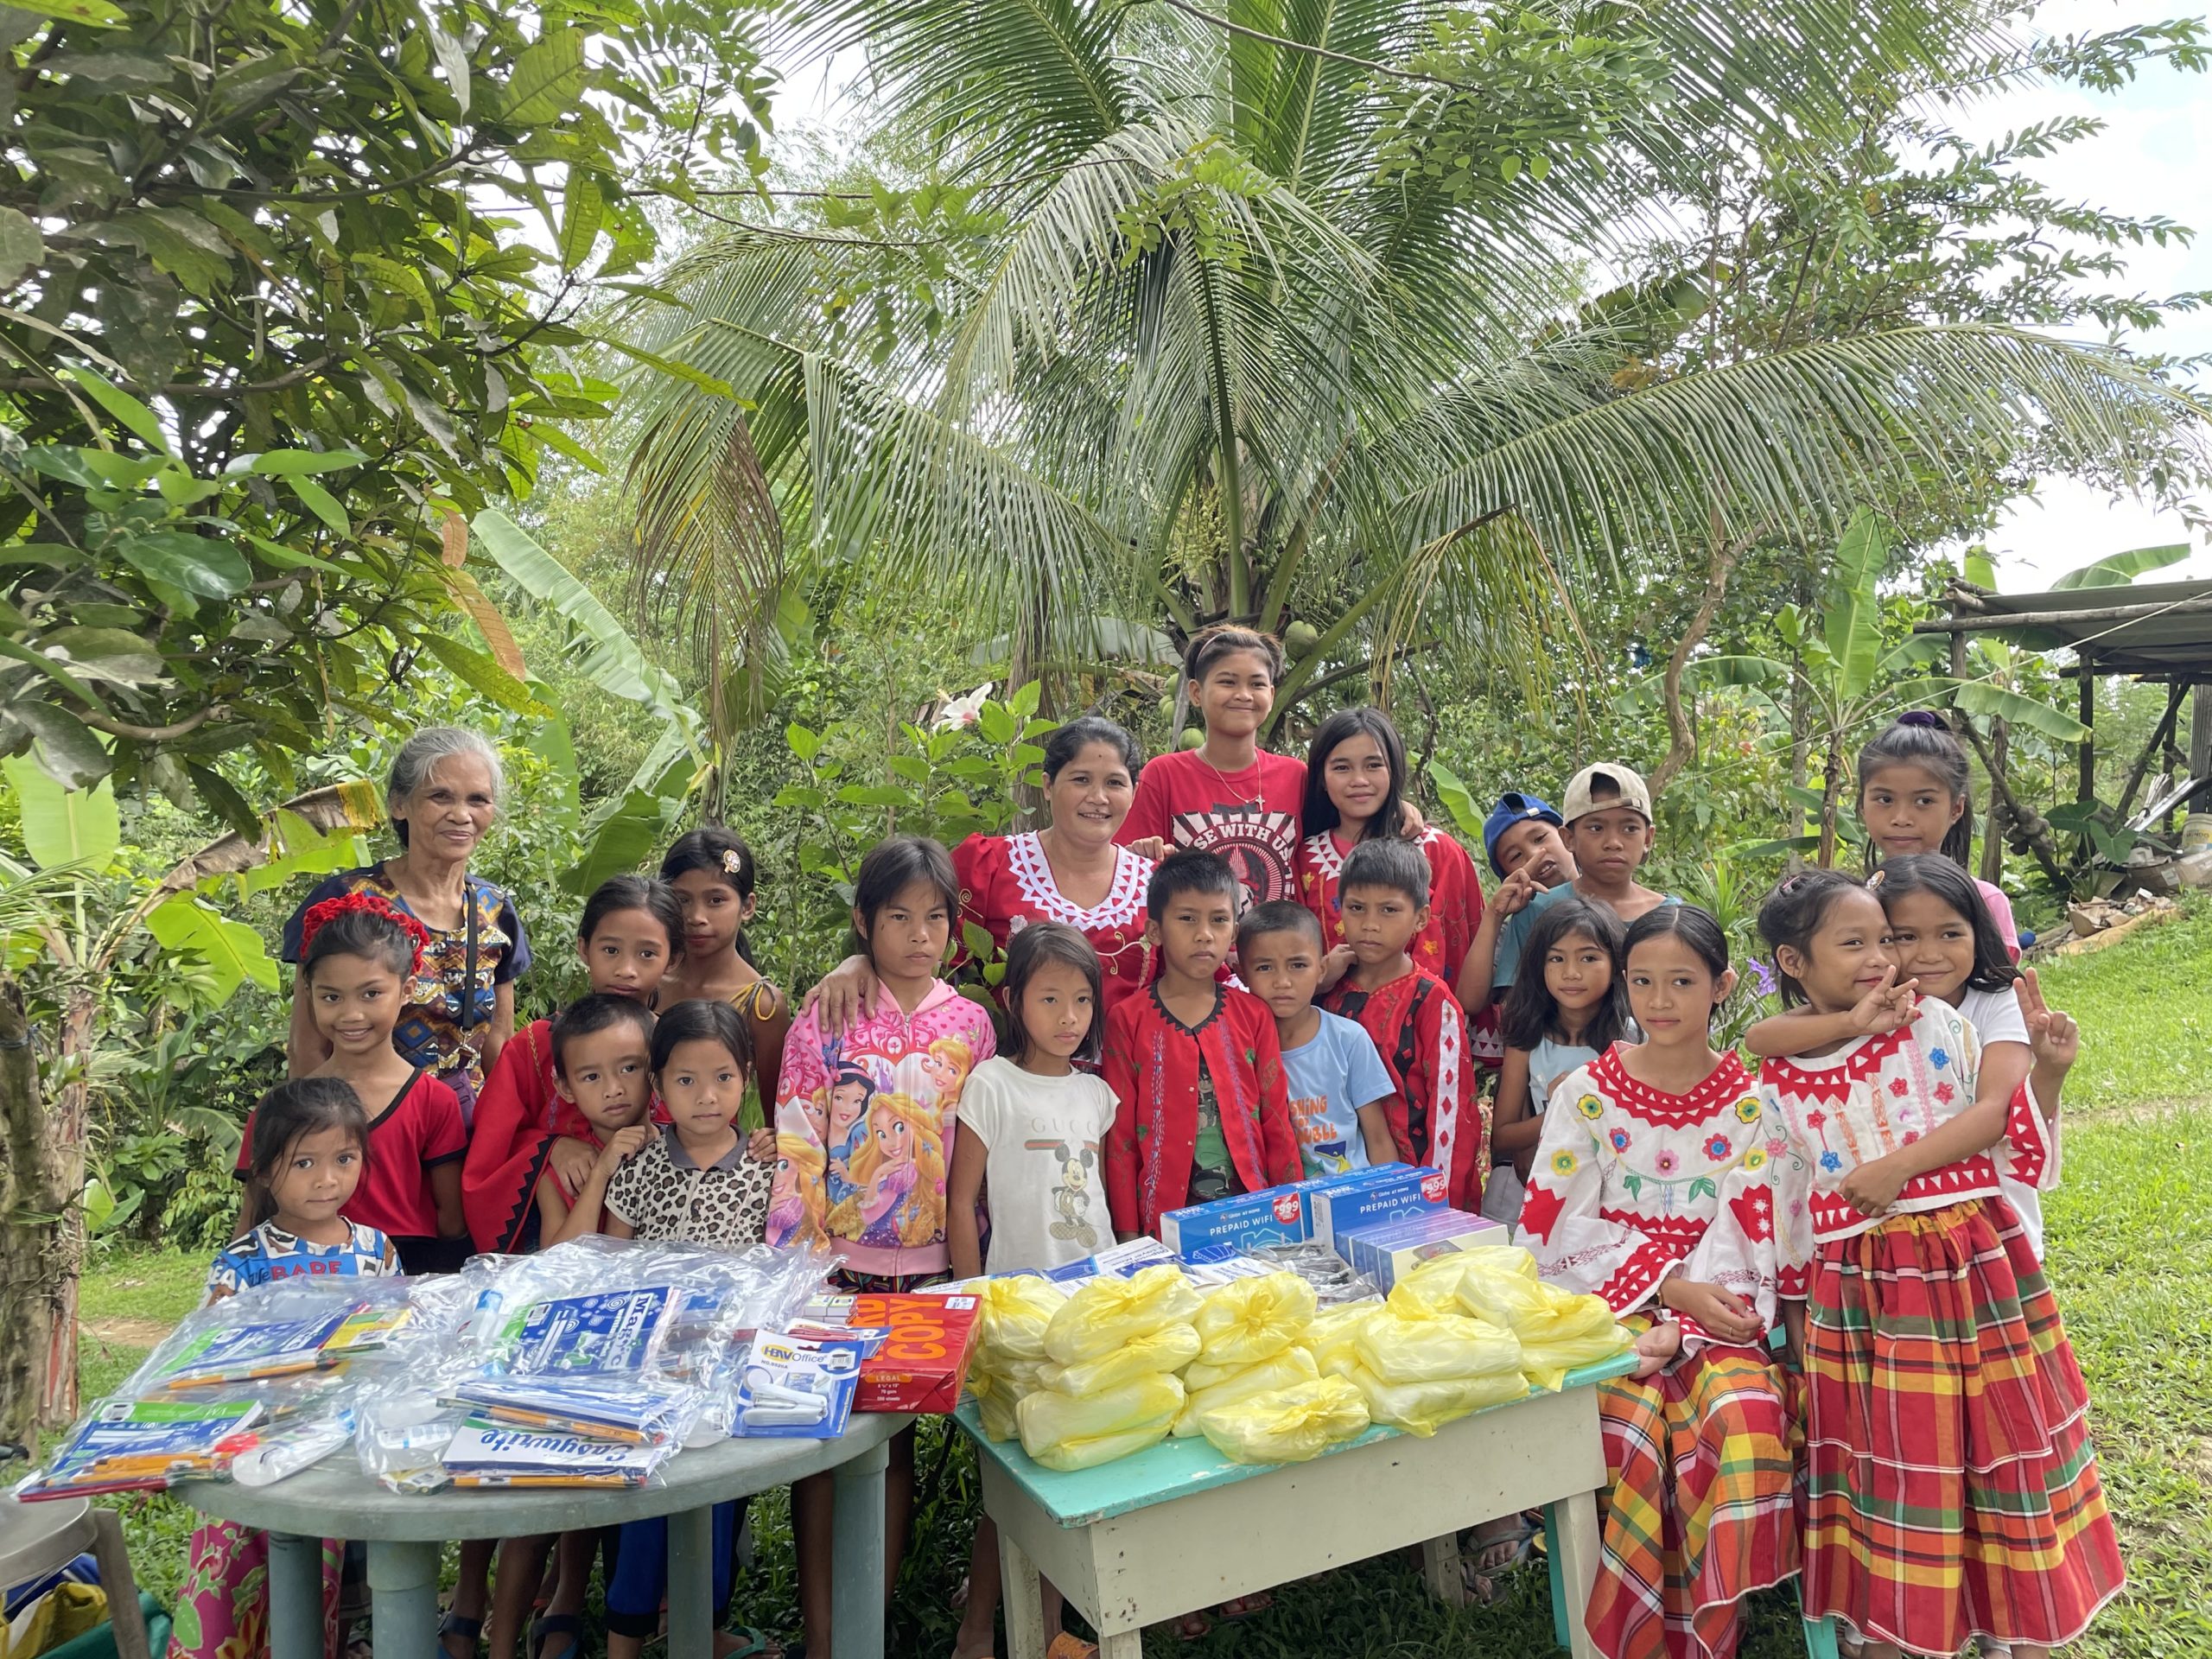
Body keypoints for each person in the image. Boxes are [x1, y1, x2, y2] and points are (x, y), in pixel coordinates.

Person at [1731, 871, 2117, 1659]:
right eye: (1857, 943)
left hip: (1971, 1268)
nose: (1882, 959)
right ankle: (1900, 1632)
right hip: (1865, 1297)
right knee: (1898, 1465)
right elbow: (1788, 1197)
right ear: (1793, 962)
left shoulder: (1935, 1025)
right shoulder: (1777, 1080)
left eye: (1886, 940)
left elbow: (2006, 1138)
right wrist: (1798, 1313)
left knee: (1998, 1447)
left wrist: (2046, 1074)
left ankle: (2023, 1622)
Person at [1514, 907, 1796, 1654]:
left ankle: (1714, 1624)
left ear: (1722, 987)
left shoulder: (1753, 1106)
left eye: (1681, 981)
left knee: (1744, 1418)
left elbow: (1755, 1229)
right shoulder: (1585, 1094)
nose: (1659, 1001)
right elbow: (1549, 1228)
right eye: (1642, 981)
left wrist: (1693, 1321)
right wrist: (1665, 1292)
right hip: (1607, 1308)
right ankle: (1642, 1633)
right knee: (1629, 1428)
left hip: (1721, 1306)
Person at [775, 836, 997, 1657]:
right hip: (837, 1270)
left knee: (890, 1442)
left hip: (934, 1266)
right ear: (865, 921)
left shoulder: (972, 1025)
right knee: (825, 1445)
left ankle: (869, 1615)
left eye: (935, 917)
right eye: (898, 916)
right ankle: (825, 1634)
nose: (918, 934)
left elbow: (981, 1147)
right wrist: (800, 1270)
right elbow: (798, 1134)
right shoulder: (829, 1013)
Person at [1741, 855, 2067, 1258]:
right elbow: (1758, 1039)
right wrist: (1852, 1024)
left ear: (1978, 932)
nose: (1928, 954)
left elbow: (1998, 1109)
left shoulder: (1961, 1013)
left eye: (1950, 933)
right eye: (1905, 937)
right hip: (1876, 1246)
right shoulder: (1859, 1017)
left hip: (1983, 1225)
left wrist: (1895, 1170)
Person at [945, 922, 1119, 1659]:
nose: (1069, 1016)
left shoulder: (1097, 1094)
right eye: (1050, 998)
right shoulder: (991, 1084)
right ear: (1015, 1002)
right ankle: (980, 1631)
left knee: (1069, 1468)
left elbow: (1099, 1197)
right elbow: (962, 1203)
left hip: (1092, 1304)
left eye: (1081, 999)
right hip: (1017, 1311)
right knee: (1014, 1490)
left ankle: (1050, 1632)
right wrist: (971, 1300)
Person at [179, 1080, 393, 1659]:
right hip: (257, 1445)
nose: (328, 1179)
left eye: (344, 1159)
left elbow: (392, 1339)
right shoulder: (245, 1262)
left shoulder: (376, 1249)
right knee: (242, 1577)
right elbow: (204, 1356)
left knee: (339, 1577)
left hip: (343, 1447)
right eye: (305, 1163)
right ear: (266, 1172)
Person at [586, 1000, 772, 1659]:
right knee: (643, 1496)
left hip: (725, 1364)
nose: (706, 1096)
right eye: (685, 1081)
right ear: (659, 1086)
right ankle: (624, 1638)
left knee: (719, 1497)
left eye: (722, 1077)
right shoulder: (641, 1167)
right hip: (646, 1366)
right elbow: (610, 1258)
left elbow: (775, 1263)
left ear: (745, 1078)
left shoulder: (765, 1168)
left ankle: (703, 1624)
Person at [807, 717, 1159, 1029]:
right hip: (999, 1082)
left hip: (1128, 1089)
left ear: (1135, 791)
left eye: (1115, 783)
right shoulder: (990, 864)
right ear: (1048, 786)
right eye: (1081, 779)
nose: (1098, 797)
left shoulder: (1158, 885)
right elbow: (920, 949)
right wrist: (860, 962)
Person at [284, 726, 530, 1126]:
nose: (462, 814)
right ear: (400, 804)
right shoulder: (348, 900)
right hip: (367, 1127)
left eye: (478, 800)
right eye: (440, 796)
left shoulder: (494, 908)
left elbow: (497, 1045)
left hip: (466, 1130)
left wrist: (508, 1134)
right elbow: (308, 1047)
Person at [236, 896, 466, 1274]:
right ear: (308, 994)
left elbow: (452, 1222)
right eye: (331, 997)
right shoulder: (277, 1110)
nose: (351, 1014)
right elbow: (251, 1223)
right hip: (300, 1284)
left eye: (371, 993)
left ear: (407, 990)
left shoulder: (433, 1101)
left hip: (409, 1284)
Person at [461, 876, 686, 1255]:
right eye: (610, 950)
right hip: (560, 1238)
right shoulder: (536, 1045)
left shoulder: (680, 1049)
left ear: (673, 959)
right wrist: (551, 1146)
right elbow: (491, 1144)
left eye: (647, 954)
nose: (626, 970)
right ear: (584, 948)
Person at [1103, 851, 1302, 1237]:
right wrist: (1127, 1234)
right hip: (1164, 1223)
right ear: (1155, 931)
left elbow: (1276, 1120)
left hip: (1253, 1213)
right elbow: (1121, 1139)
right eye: (1187, 918)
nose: (1204, 934)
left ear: (1234, 931)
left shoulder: (1253, 1014)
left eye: (1219, 920)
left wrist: (1290, 1210)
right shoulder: (1128, 1019)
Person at [1317, 839, 1481, 1208]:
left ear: (1420, 918)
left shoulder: (1433, 1003)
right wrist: (1317, 981)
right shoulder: (1327, 993)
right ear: (1339, 909)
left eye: (1389, 910)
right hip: (1332, 1184)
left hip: (1413, 1191)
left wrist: (1434, 1205)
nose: (1370, 924)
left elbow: (1451, 1118)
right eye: (1357, 908)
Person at [1294, 707, 1485, 1000]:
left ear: (1394, 769)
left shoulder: (1437, 851)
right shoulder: (1306, 857)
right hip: (1329, 1036)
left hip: (1420, 1030)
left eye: (1373, 765)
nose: (1359, 779)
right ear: (1321, 777)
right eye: (1342, 767)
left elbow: (1458, 953)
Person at [1116, 626, 1307, 907]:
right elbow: (1125, 871)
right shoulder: (1163, 775)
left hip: (1282, 950)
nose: (1243, 695)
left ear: (1271, 694)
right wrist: (1141, 855)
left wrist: (1396, 810)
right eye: (1228, 682)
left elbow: (1343, 836)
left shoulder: (1297, 776)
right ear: (1196, 692)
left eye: (1256, 684)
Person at [1484, 895, 1629, 1224]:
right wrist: (1559, 1108)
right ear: (1540, 966)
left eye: (1589, 958)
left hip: (1613, 1192)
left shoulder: (1629, 1039)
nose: (1572, 973)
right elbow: (1503, 1137)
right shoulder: (1527, 1038)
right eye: (1557, 959)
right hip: (1543, 1183)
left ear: (1616, 965)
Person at [1484, 763, 1674, 1010]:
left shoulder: (1670, 917)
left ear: (1648, 838)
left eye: (1629, 828)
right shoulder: (1537, 911)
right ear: (1569, 839)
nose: (1613, 842)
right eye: (1596, 828)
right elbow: (1515, 1012)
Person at [1236, 900, 1398, 1175]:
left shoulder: (1348, 1039)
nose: (1283, 982)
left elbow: (1379, 1139)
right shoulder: (1240, 1049)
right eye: (1265, 968)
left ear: (1322, 969)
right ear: (1243, 974)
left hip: (1350, 1197)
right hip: (1281, 1207)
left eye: (1298, 965)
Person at [1857, 710, 2020, 956]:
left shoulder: (1986, 901)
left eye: (1923, 801)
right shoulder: (1852, 905)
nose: (1901, 819)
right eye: (1885, 799)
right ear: (1861, 808)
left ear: (1956, 808)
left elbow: (2001, 987)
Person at [658, 828, 792, 1104]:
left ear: (747, 907)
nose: (696, 917)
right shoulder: (649, 984)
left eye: (716, 900)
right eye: (682, 900)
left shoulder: (763, 1006)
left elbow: (773, 1110)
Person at [1458, 791, 1575, 1012]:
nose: (1533, 854)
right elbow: (1469, 1002)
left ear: (1567, 836)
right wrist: (1494, 913)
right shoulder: (1519, 928)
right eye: (1515, 857)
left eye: (1540, 838)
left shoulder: (1621, 897)